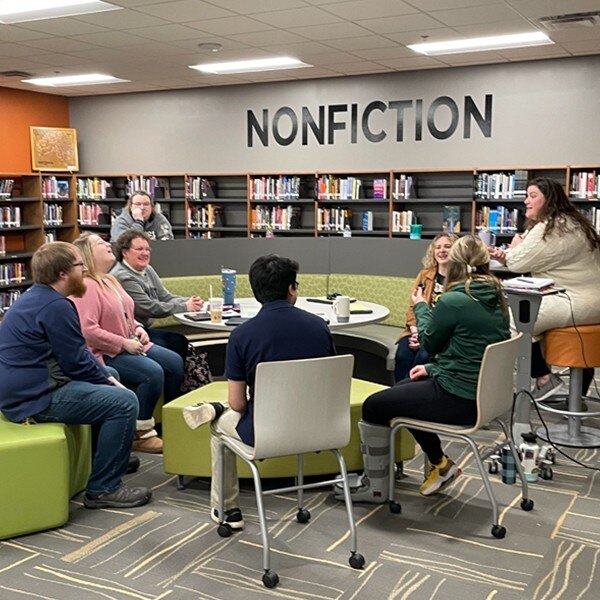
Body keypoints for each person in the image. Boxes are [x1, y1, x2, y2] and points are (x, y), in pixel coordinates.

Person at [347, 235, 510, 502]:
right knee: (401, 389)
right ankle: (439, 463)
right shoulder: (494, 294)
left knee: (375, 405)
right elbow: (469, 351)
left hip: (459, 397)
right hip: (482, 392)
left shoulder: (454, 300)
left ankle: (375, 488)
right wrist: (433, 370)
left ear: (455, 263)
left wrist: (422, 307)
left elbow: (431, 344)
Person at [183, 254, 336, 530]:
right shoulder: (319, 327)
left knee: (219, 426)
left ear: (255, 292)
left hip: (268, 433)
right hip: (322, 429)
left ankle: (227, 510)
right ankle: (215, 408)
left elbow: (239, 404)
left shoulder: (242, 335)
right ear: (291, 288)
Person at [0, 242, 151, 509]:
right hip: (34, 397)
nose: (84, 270)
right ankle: (103, 488)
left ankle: (107, 456)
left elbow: (73, 358)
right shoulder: (56, 306)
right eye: (80, 265)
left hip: (29, 384)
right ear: (63, 274)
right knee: (124, 401)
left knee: (112, 374)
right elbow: (76, 362)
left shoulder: (38, 297)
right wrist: (107, 381)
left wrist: (106, 375)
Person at [71, 233, 184, 453]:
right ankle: (140, 432)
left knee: (174, 362)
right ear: (87, 254)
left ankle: (173, 423)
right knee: (152, 372)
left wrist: (139, 328)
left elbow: (126, 314)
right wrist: (123, 342)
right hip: (106, 351)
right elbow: (88, 330)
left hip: (130, 342)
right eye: (99, 243)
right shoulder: (86, 286)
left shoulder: (110, 280)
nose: (107, 244)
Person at [489, 177, 600, 400]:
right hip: (589, 301)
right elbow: (528, 259)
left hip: (578, 302)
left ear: (548, 200)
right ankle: (576, 398)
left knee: (512, 318)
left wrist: (514, 250)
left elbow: (520, 262)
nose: (526, 202)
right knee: (530, 318)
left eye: (533, 196)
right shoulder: (570, 223)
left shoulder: (551, 228)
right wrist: (510, 256)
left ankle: (543, 379)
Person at [111, 230, 204, 361]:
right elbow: (148, 307)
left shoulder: (147, 269)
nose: (145, 253)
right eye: (139, 249)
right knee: (176, 343)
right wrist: (184, 306)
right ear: (125, 252)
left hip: (144, 330)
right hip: (131, 334)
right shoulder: (123, 276)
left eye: (147, 249)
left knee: (179, 341)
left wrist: (191, 301)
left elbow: (164, 296)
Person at [395, 233, 457, 382]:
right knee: (402, 354)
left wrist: (424, 338)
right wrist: (416, 333)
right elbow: (412, 306)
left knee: (423, 356)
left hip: (440, 335)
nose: (442, 251)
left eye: (447, 246)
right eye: (438, 247)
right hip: (417, 330)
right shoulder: (425, 274)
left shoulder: (460, 278)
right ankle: (398, 393)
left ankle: (409, 394)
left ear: (456, 250)